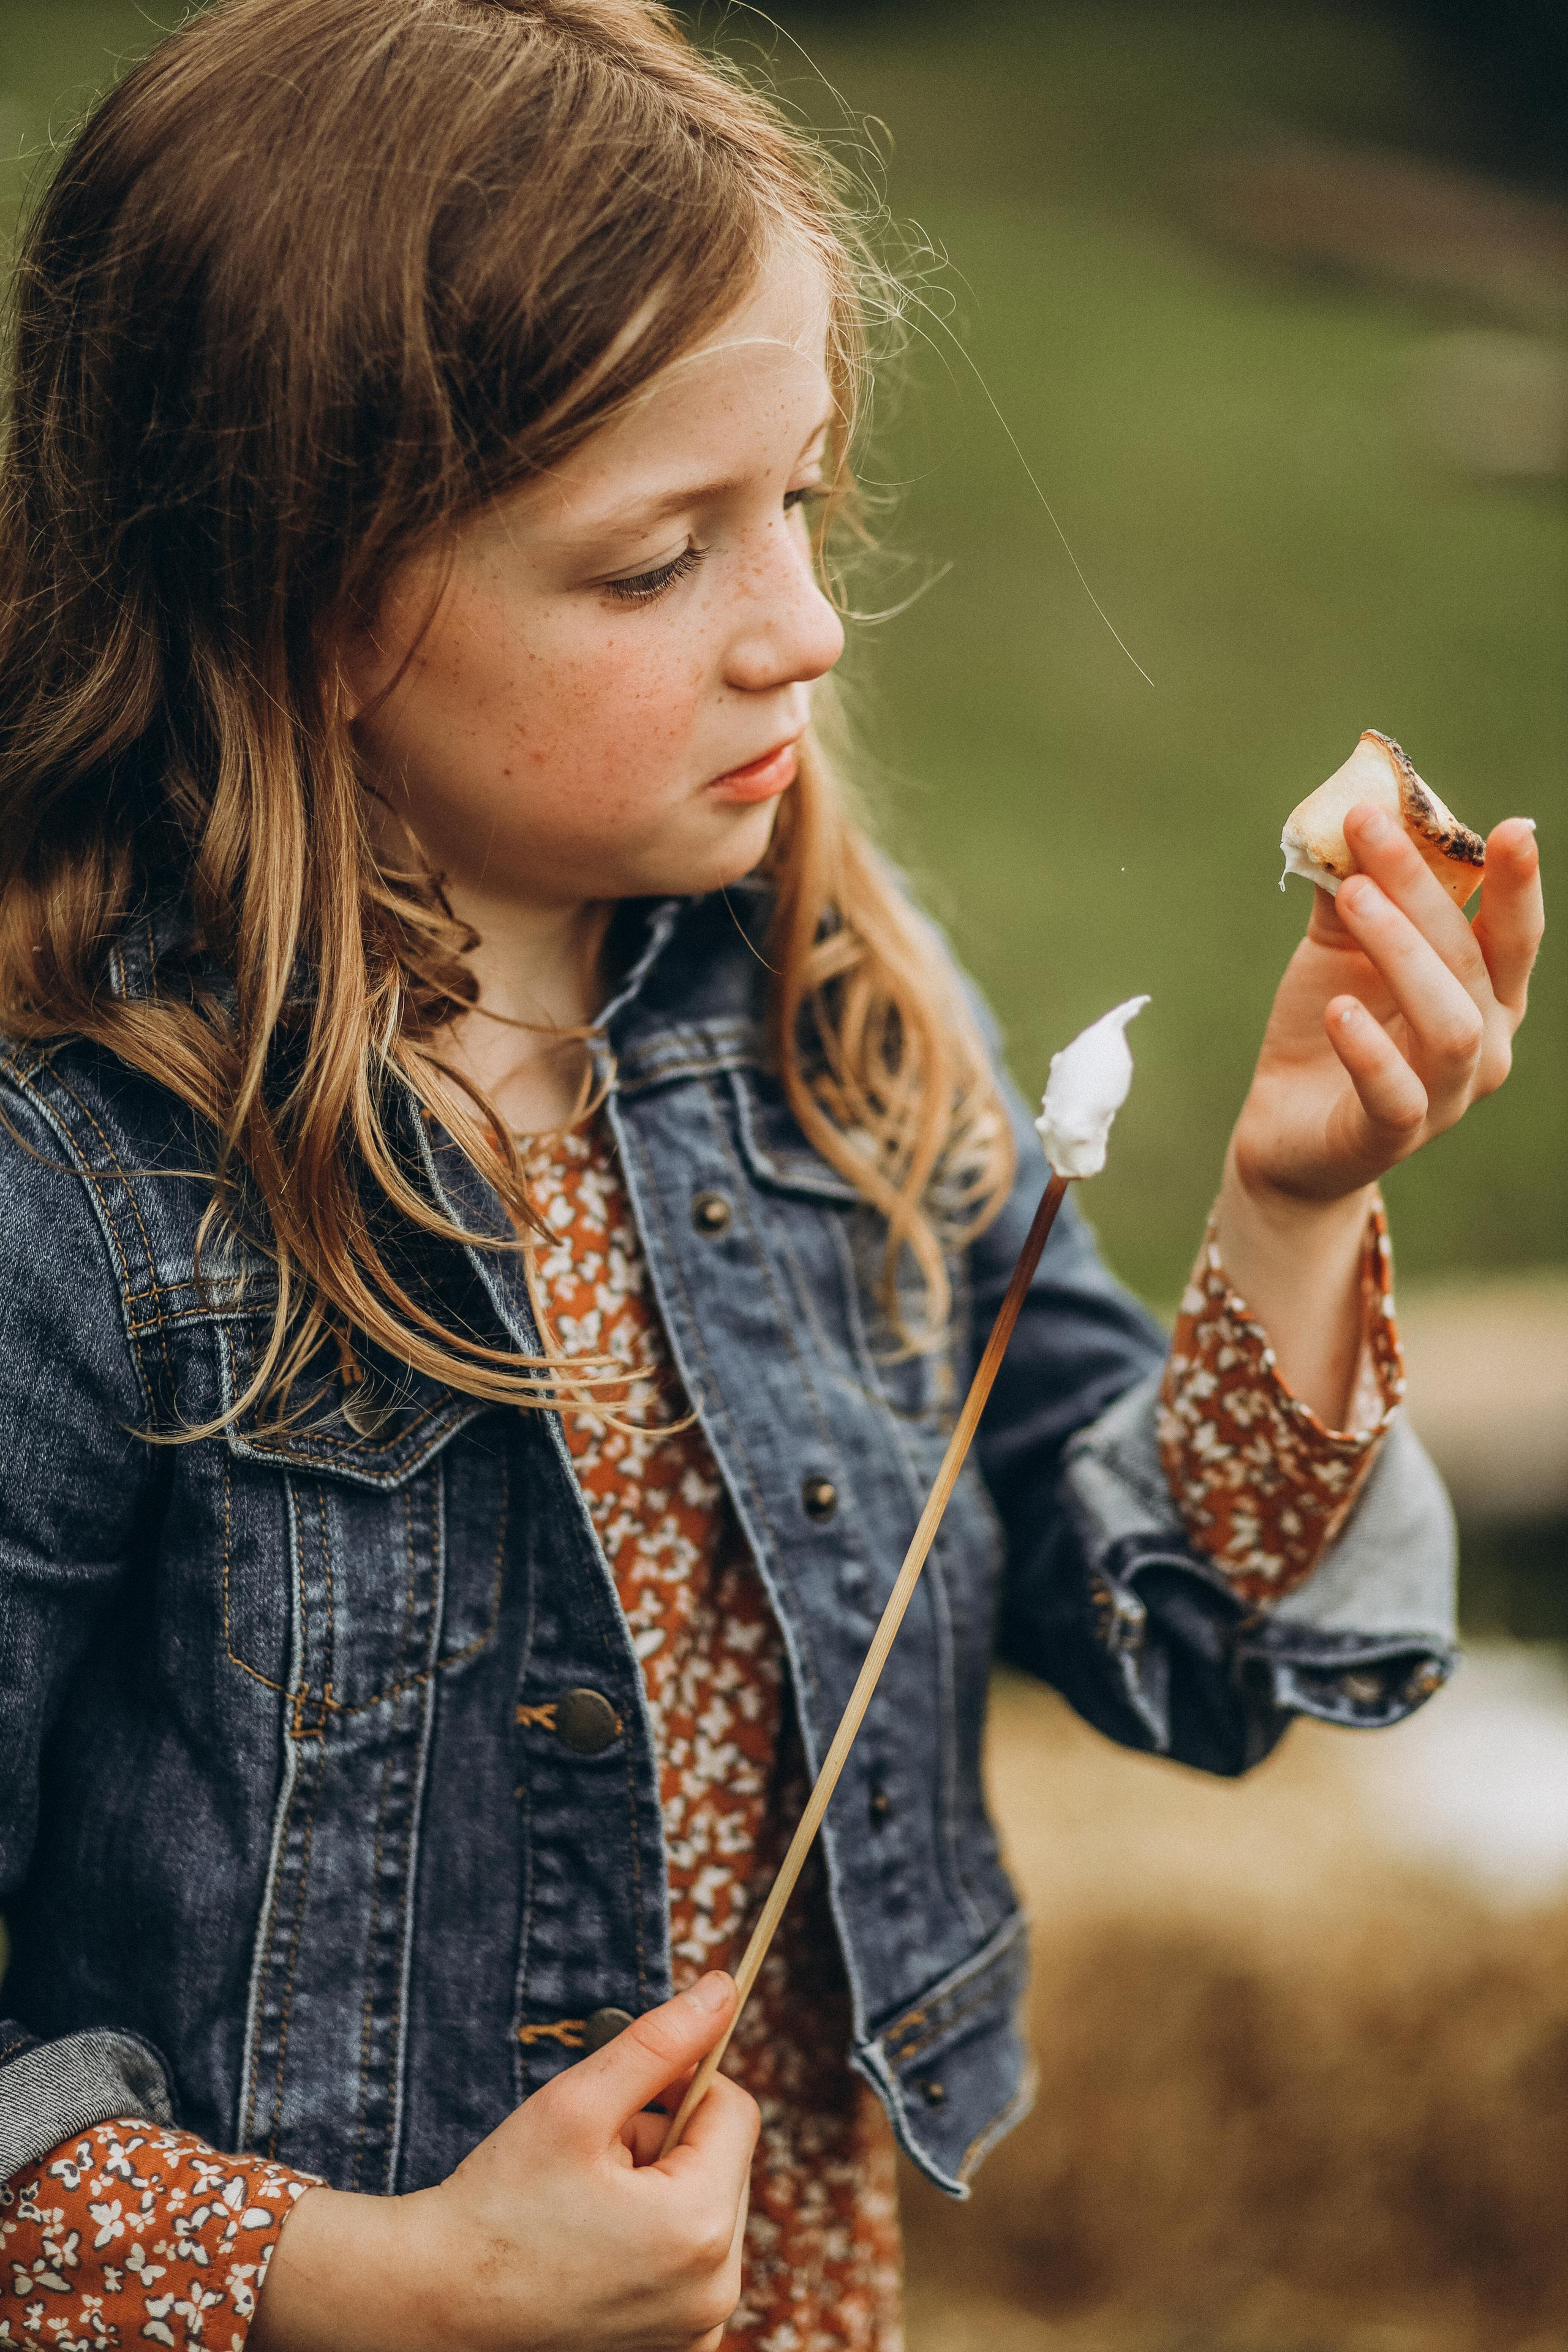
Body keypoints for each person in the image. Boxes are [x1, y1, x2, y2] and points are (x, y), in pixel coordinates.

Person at [0, 1, 1543, 2346]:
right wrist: (372, 2283)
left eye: (802, 500)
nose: (808, 627)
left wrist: (1298, 1207)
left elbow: (1195, 1656)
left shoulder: (832, 1015)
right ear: (301, 598)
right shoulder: (73, 1185)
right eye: (655, 564)